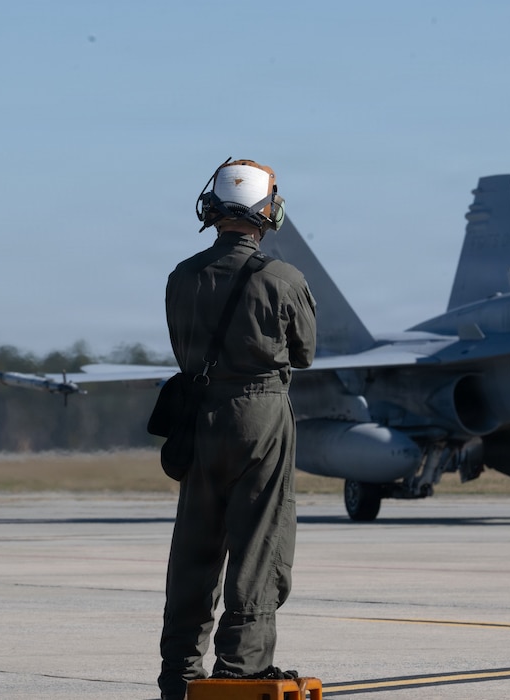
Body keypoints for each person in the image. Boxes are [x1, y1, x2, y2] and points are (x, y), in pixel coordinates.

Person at [157, 158, 317, 700]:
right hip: (260, 416)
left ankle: (180, 675)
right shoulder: (283, 279)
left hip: (199, 418)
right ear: (268, 211)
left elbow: (182, 350)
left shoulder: (182, 276)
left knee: (195, 547)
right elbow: (306, 352)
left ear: (212, 208)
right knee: (259, 544)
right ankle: (241, 671)